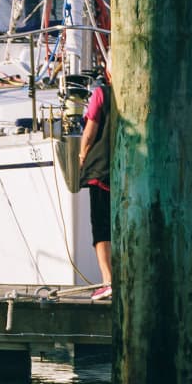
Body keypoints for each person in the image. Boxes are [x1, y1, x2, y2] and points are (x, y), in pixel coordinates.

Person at [77, 71, 113, 298]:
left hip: (100, 169)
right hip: (129, 169)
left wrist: (82, 156)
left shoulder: (101, 93)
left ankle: (108, 280)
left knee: (101, 227)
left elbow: (90, 131)